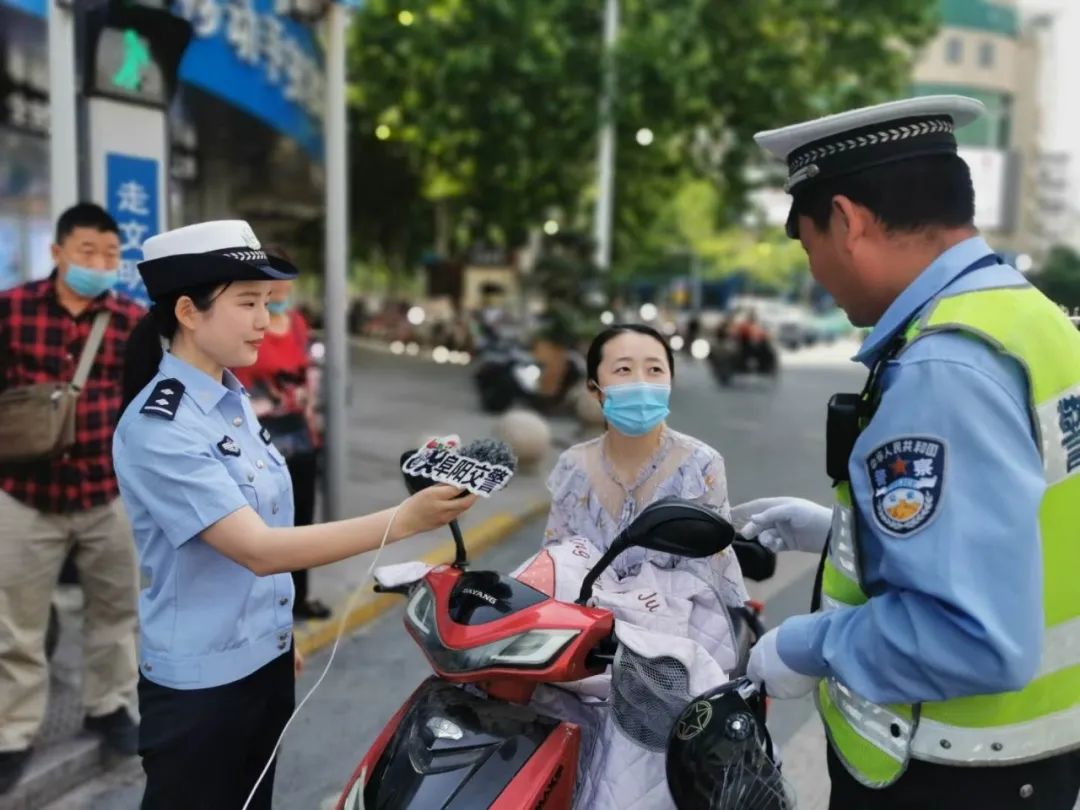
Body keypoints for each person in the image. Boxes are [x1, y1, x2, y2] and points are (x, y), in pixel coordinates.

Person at [735, 96, 1080, 809]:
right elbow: (1009, 529)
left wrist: (809, 646)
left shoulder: (941, 371)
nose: (818, 277)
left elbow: (973, 638)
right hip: (1031, 758)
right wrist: (841, 533)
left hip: (948, 772)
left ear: (848, 220)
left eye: (809, 248)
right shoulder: (1028, 320)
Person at [112, 220, 476, 810]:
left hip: (262, 665)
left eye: (269, 302)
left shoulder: (232, 401)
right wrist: (403, 520)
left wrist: (272, 637)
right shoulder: (162, 426)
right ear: (187, 310)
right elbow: (257, 548)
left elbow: (268, 525)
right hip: (203, 691)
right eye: (248, 302)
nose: (266, 319)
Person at [0, 203, 144, 793]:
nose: (100, 264)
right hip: (22, 492)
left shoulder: (134, 320)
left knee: (115, 613)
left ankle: (109, 706)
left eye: (110, 255)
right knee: (16, 625)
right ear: (58, 252)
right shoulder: (10, 311)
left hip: (105, 492)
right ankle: (13, 733)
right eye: (88, 252)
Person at [543, 322, 746, 602]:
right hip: (581, 634)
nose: (641, 382)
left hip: (672, 635)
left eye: (655, 370)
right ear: (594, 388)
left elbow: (707, 575)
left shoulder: (700, 465)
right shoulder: (571, 465)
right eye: (623, 370)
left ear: (670, 381)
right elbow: (552, 563)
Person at [232, 250, 330, 621]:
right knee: (263, 528)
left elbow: (308, 377)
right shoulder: (245, 327)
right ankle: (261, 607)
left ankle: (298, 599)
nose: (281, 288)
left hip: (302, 438)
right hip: (259, 441)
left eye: (288, 280)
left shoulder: (298, 323)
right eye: (274, 280)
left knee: (301, 523)